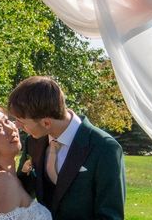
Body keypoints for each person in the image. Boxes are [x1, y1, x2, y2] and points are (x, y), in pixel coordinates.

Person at [8, 76, 126, 220]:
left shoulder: (104, 148)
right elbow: (22, 191)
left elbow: (110, 215)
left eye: (22, 122)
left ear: (46, 123)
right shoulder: (33, 142)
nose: (17, 126)